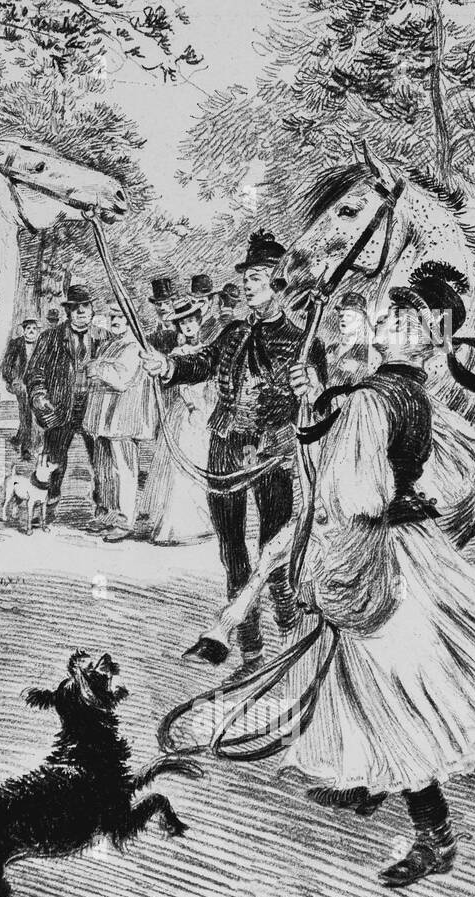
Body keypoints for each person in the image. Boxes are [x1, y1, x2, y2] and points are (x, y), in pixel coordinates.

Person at [269, 259, 475, 887]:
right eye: (388, 316)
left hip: (379, 549)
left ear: (429, 333)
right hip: (407, 544)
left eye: (401, 319)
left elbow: (353, 491)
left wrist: (318, 419)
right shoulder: (406, 393)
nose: (385, 325)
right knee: (355, 672)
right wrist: (316, 406)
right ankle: (370, 779)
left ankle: (435, 833)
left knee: (392, 684)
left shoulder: (373, 396)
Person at [141, 230, 326, 675]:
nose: (246, 284)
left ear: (281, 284)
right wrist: (168, 366)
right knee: (231, 547)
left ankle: (286, 613)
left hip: (271, 452)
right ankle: (246, 641)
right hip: (225, 445)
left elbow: (322, 405)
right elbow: (199, 364)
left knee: (272, 548)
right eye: (245, 276)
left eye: (258, 277)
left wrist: (315, 387)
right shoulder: (232, 332)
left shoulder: (306, 341)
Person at [26, 284, 110, 526]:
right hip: (60, 408)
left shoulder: (105, 338)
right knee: (53, 460)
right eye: (75, 308)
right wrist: (40, 395)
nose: (81, 312)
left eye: (85, 307)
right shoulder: (50, 337)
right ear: (68, 312)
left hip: (94, 408)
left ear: (92, 310)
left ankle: (104, 511)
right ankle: (45, 508)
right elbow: (35, 372)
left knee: (102, 461)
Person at [142, 296, 218, 545]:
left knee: (203, 465)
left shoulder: (208, 349)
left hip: (206, 411)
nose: (187, 326)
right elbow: (183, 386)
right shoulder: (178, 353)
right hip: (187, 412)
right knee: (181, 467)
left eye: (191, 321)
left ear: (198, 321)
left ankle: (203, 522)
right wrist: (193, 407)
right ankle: (176, 526)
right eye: (183, 323)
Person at [82, 300, 160, 542]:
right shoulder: (110, 345)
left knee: (124, 471)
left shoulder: (134, 347)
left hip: (123, 420)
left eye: (121, 318)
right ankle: (107, 515)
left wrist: (97, 369)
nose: (116, 322)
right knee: (105, 469)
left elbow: (121, 379)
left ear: (130, 321)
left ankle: (125, 521)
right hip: (104, 420)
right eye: (113, 318)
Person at [0, 318, 43, 461]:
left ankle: (20, 437)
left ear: (37, 331)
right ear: (23, 330)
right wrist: (13, 380)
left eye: (34, 329)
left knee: (32, 413)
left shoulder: (42, 345)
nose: (31, 331)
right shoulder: (16, 344)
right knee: (27, 412)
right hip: (21, 384)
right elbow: (6, 366)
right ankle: (26, 448)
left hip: (37, 384)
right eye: (28, 328)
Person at [328, 291, 378, 382]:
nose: (343, 319)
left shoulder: (365, 351)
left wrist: (357, 369)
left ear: (360, 321)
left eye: (349, 316)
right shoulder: (331, 348)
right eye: (341, 315)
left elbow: (371, 380)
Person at [147, 277, 179, 356]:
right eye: (158, 304)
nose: (162, 307)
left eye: (167, 303)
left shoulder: (183, 329)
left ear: (173, 303)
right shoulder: (152, 337)